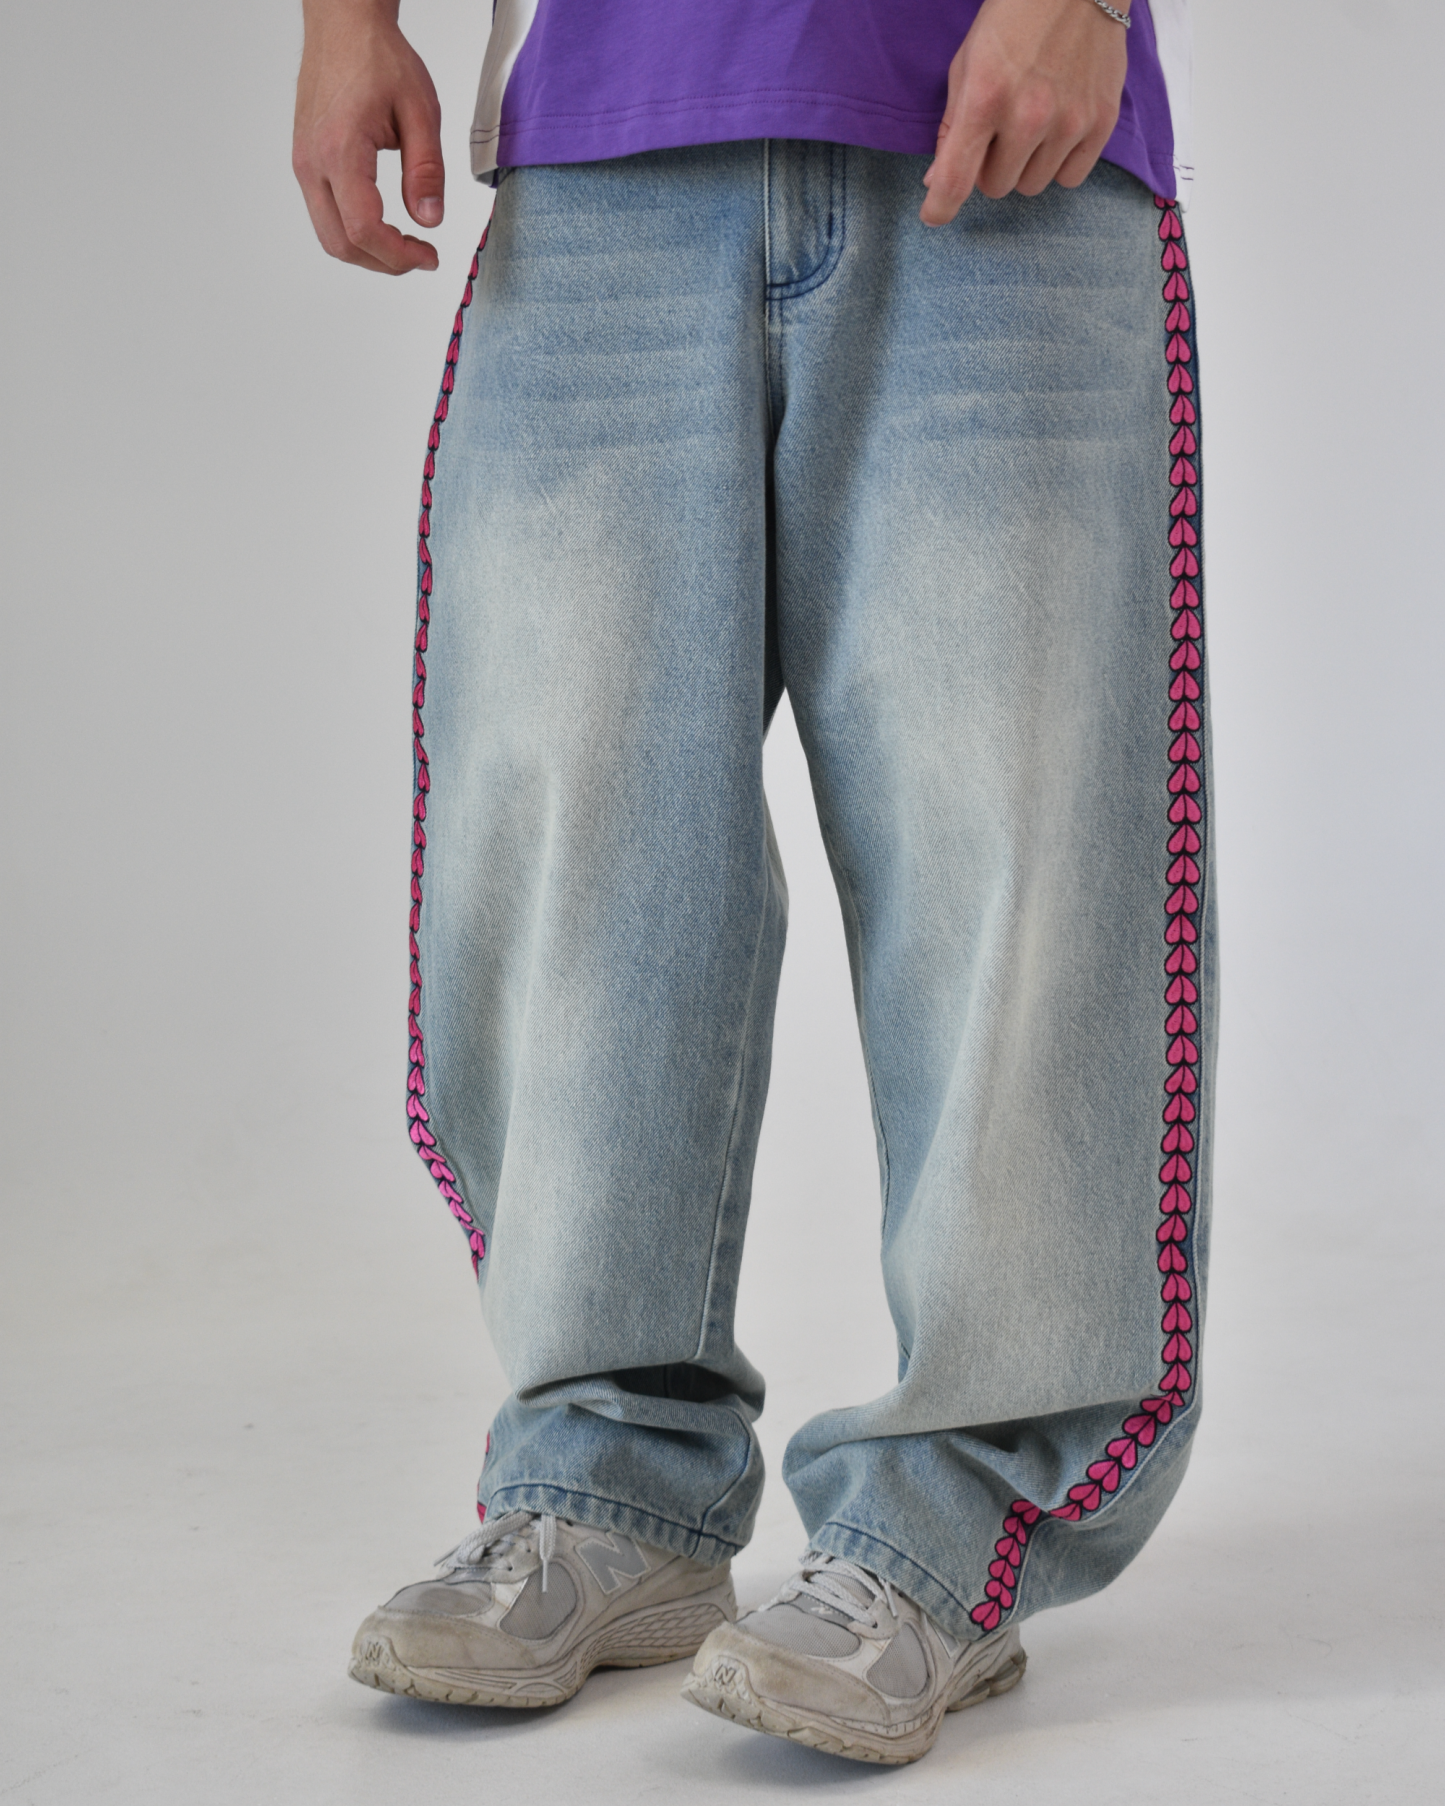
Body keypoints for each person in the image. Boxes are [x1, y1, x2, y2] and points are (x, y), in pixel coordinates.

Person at [293, 0, 1209, 1767]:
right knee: (575, 819)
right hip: (607, 129)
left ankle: (949, 1521)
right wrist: (347, 20)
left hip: (998, 127)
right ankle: (605, 1482)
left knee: (1015, 850)